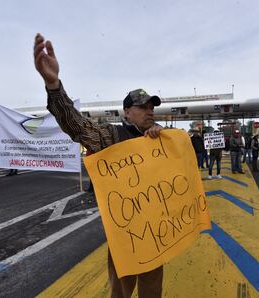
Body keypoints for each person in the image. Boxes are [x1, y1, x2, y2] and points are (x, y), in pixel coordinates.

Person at [34, 33, 164, 298]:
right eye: (142, 107)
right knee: (121, 290)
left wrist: (163, 139)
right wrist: (54, 86)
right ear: (127, 112)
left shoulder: (161, 138)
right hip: (125, 233)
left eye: (152, 107)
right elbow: (77, 126)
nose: (150, 111)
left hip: (158, 231)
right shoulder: (111, 136)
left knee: (153, 289)